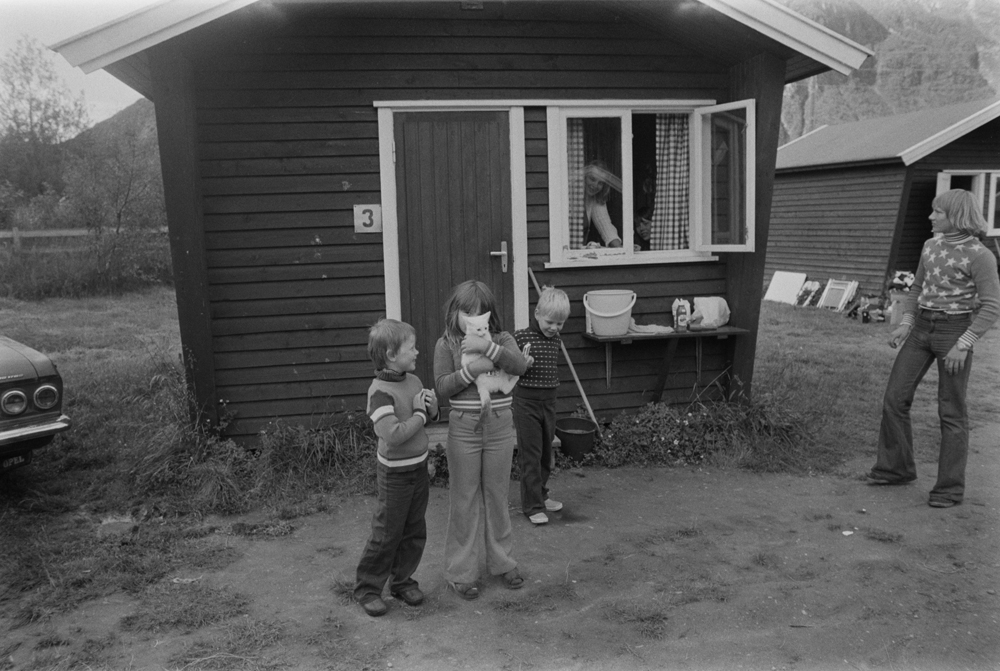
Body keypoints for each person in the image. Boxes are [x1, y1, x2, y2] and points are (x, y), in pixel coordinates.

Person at [867, 189, 1000, 508]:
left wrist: (964, 345)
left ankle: (949, 489)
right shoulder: (930, 246)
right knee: (894, 398)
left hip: (955, 331)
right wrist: (906, 323)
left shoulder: (980, 255)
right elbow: (917, 289)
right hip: (921, 329)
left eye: (937, 212)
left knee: (951, 410)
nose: (930, 217)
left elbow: (992, 306)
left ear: (956, 217)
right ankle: (895, 469)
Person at [433, 280, 529, 599]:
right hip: (464, 427)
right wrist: (474, 369)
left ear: (490, 314)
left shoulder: (502, 339)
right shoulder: (446, 345)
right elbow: (443, 388)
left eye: (479, 312)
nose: (473, 318)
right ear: (455, 313)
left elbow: (518, 366)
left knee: (498, 494)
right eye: (466, 312)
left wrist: (489, 350)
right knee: (464, 497)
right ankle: (461, 571)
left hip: (500, 426)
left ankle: (503, 562)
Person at [354, 319, 439, 617]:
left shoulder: (412, 381)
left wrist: (431, 407)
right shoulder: (379, 392)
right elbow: (395, 434)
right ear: (391, 354)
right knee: (387, 532)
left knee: (414, 529)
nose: (417, 352)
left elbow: (428, 416)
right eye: (411, 348)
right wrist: (419, 413)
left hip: (418, 469)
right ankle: (367, 588)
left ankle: (402, 582)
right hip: (394, 474)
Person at [513, 286, 570, 525]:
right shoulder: (520, 337)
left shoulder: (555, 339)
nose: (555, 328)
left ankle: (542, 495)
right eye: (550, 322)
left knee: (547, 454)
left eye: (560, 323)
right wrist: (520, 364)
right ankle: (531, 505)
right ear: (536, 314)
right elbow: (507, 367)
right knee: (531, 455)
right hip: (526, 403)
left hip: (549, 401)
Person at [583, 161, 623, 248]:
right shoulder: (570, 196)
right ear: (584, 177)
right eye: (592, 179)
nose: (595, 185)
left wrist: (621, 250)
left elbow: (606, 228)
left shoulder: (594, 199)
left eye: (600, 183)